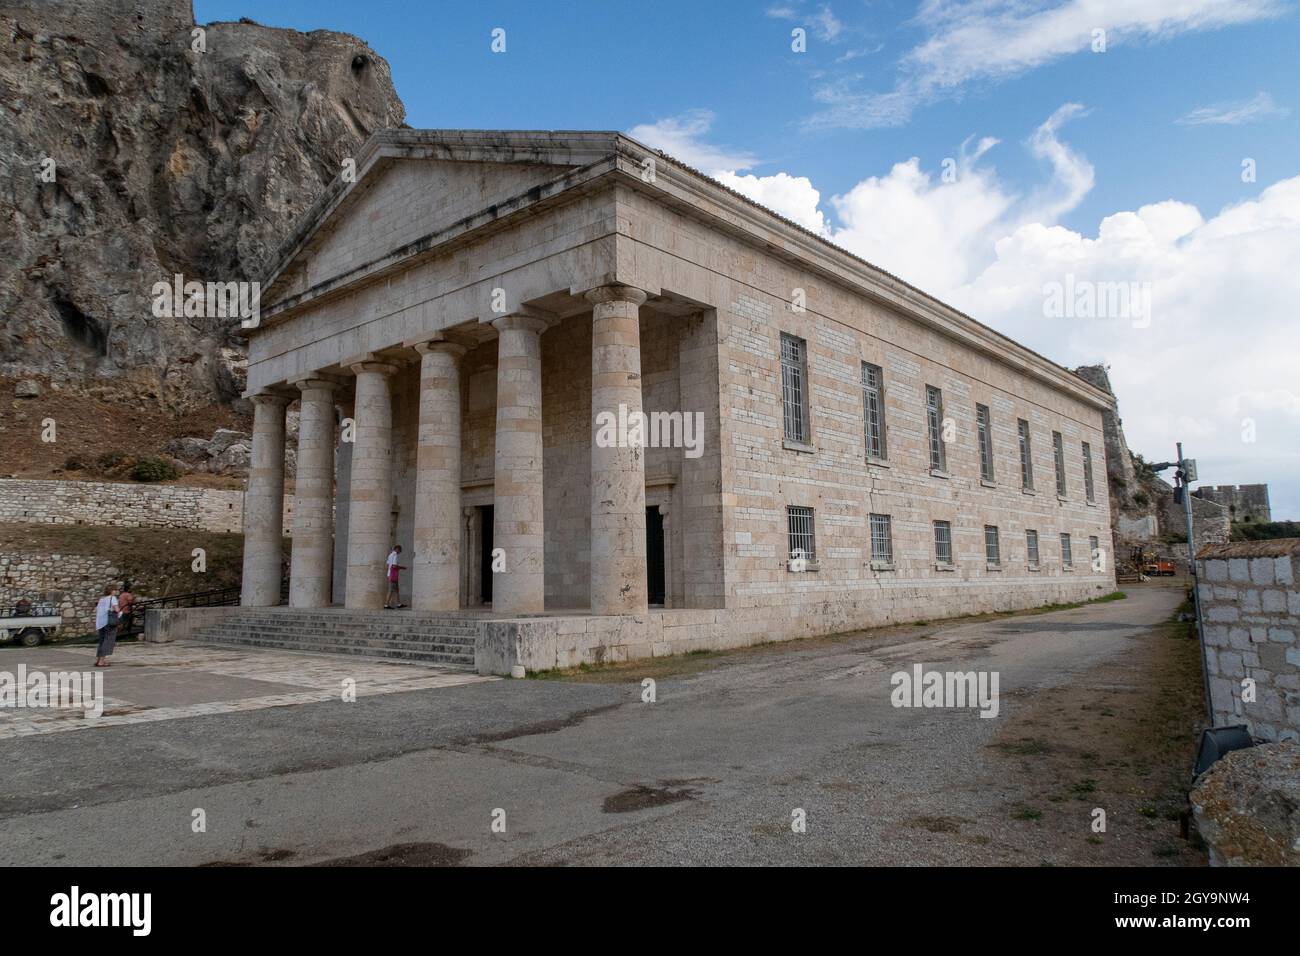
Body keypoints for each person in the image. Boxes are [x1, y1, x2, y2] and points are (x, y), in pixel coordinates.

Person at [94, 586, 120, 668]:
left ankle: (99, 660)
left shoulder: (102, 599)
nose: (115, 591)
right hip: (109, 622)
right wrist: (120, 612)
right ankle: (101, 661)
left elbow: (97, 610)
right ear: (111, 591)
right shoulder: (112, 598)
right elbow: (116, 609)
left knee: (102, 641)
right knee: (107, 641)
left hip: (100, 623)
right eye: (114, 590)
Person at [384, 545, 407, 609]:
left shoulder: (390, 555)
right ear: (397, 549)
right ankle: (386, 605)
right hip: (393, 575)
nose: (400, 552)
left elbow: (388, 564)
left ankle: (399, 604)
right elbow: (394, 566)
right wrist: (402, 567)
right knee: (391, 590)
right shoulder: (395, 555)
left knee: (396, 590)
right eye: (400, 550)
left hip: (390, 574)